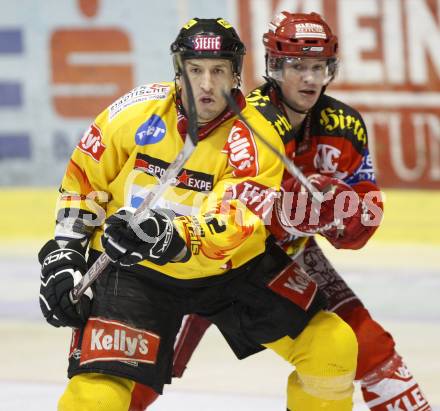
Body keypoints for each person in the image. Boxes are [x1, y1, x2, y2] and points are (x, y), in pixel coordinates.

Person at [38, 17, 358, 411]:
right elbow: (83, 183)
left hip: (233, 270)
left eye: (218, 71)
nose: (206, 85)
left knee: (332, 350)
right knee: (95, 396)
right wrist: (66, 255)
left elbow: (231, 228)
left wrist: (166, 234)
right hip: (136, 273)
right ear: (178, 71)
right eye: (195, 70)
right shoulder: (133, 111)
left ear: (236, 75)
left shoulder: (257, 136)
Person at [131, 11, 433, 411]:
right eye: (296, 66)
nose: (308, 78)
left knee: (368, 345)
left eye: (318, 66)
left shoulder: (346, 125)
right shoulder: (246, 120)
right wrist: (302, 209)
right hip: (216, 257)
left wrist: (346, 216)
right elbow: (229, 205)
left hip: (288, 256)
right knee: (147, 371)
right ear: (273, 66)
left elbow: (366, 216)